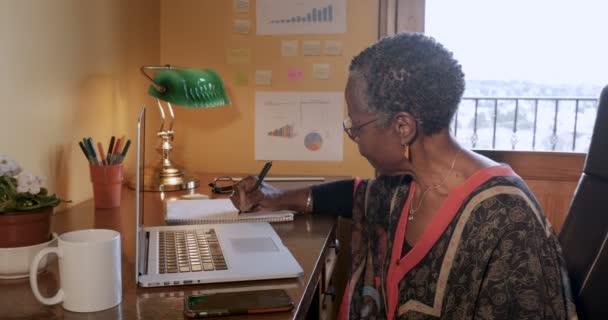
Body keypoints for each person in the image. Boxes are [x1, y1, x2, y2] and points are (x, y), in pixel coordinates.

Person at [231, 32, 577, 319]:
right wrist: (273, 197)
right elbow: (354, 195)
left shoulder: (507, 220)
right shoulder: (402, 186)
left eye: (356, 125)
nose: (355, 138)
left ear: (403, 127)